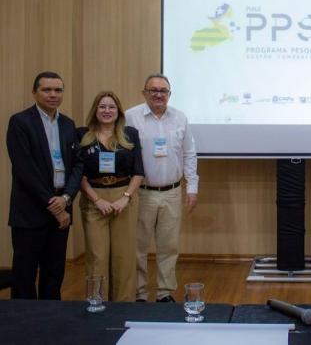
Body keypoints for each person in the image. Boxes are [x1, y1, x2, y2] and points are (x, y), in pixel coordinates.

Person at [6, 71, 83, 299]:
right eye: (46, 90)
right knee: (24, 275)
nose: (53, 95)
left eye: (58, 90)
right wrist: (55, 205)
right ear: (34, 92)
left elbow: (77, 165)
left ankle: (51, 323)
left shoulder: (68, 124)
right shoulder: (20, 122)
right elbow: (24, 169)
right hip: (31, 210)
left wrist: (66, 198)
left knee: (54, 273)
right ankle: (24, 327)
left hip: (62, 203)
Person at [125, 73, 198, 302]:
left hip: (172, 191)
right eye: (153, 90)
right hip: (142, 193)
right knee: (138, 247)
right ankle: (139, 293)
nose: (158, 94)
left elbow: (189, 153)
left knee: (169, 247)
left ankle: (165, 293)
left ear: (169, 94)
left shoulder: (180, 118)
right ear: (144, 92)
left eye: (163, 91)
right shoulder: (130, 117)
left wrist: (192, 187)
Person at [78, 91, 144, 301]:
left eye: (111, 107)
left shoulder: (130, 134)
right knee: (97, 256)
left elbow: (139, 172)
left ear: (119, 112)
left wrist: (125, 197)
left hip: (124, 198)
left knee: (124, 258)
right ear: (95, 111)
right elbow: (77, 173)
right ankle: (98, 304)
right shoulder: (82, 135)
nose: (107, 111)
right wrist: (97, 200)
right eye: (102, 107)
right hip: (93, 198)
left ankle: (124, 305)